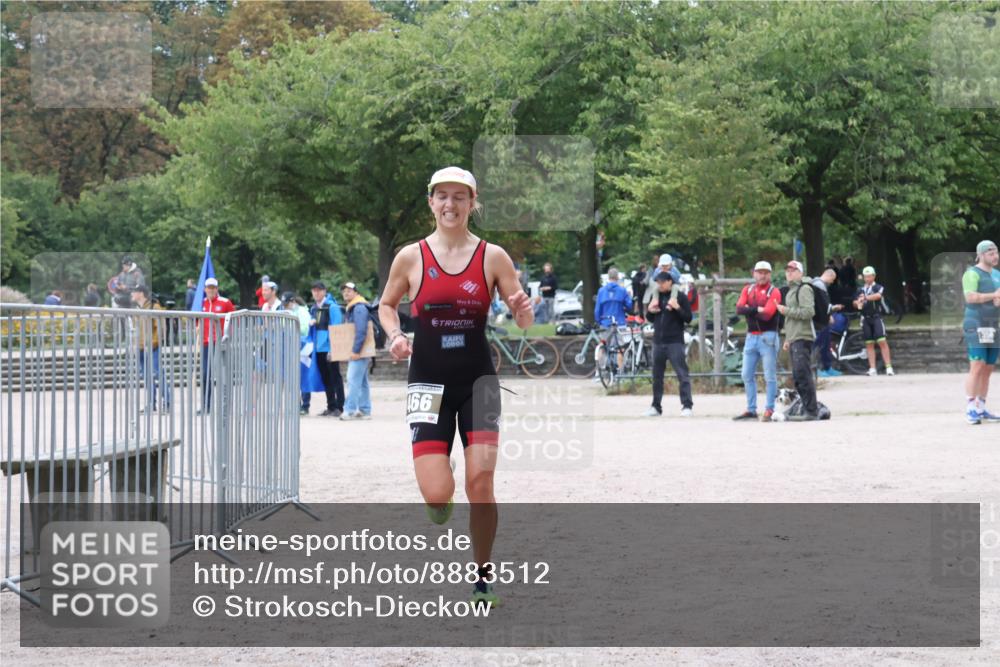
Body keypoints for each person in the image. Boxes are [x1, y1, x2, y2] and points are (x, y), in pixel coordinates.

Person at [378, 166, 533, 609]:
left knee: (480, 483)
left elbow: (523, 320)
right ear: (431, 202)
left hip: (478, 382)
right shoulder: (410, 257)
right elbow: (386, 305)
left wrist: (523, 308)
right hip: (427, 383)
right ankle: (439, 491)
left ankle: (482, 579)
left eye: (459, 197)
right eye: (442, 196)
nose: (450, 204)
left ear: (472, 202)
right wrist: (395, 335)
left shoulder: (492, 257)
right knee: (437, 492)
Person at [733, 261, 782, 421]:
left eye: (765, 272)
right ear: (754, 273)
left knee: (770, 376)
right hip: (751, 336)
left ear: (770, 274)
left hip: (768, 336)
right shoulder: (748, 289)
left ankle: (769, 409)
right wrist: (756, 309)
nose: (762, 275)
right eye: (759, 272)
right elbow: (739, 308)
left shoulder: (774, 291)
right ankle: (751, 409)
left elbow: (767, 314)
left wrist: (749, 309)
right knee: (746, 374)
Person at [643, 271, 693, 417]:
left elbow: (688, 318)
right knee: (657, 376)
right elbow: (651, 318)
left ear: (670, 281)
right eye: (658, 282)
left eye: (662, 282)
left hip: (675, 342)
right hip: (658, 342)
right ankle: (656, 406)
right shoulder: (655, 296)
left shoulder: (680, 297)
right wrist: (650, 311)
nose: (660, 285)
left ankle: (687, 406)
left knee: (682, 374)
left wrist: (677, 307)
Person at [962, 240, 1000, 424]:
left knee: (988, 368)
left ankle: (981, 407)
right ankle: (970, 407)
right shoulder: (972, 273)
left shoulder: (998, 275)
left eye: (996, 253)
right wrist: (994, 295)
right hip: (975, 323)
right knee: (977, 365)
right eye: (991, 253)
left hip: (993, 324)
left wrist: (997, 301)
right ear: (981, 255)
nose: (995, 256)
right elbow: (970, 297)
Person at [777, 260, 819, 421]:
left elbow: (808, 312)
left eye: (793, 270)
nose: (789, 273)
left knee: (803, 374)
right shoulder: (791, 290)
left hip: (803, 336)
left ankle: (811, 411)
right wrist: (788, 337)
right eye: (787, 270)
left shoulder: (804, 289)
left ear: (800, 273)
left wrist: (785, 310)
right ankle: (807, 409)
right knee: (798, 375)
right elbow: (791, 320)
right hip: (795, 337)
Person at [306, 281, 345, 417]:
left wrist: (333, 348)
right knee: (326, 378)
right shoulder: (314, 308)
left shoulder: (332, 307)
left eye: (319, 290)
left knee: (335, 377)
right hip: (318, 349)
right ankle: (331, 406)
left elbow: (337, 328)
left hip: (329, 348)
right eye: (314, 290)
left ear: (324, 291)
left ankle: (340, 407)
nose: (316, 293)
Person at [131, 284, 171, 413]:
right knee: (147, 376)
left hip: (152, 347)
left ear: (141, 293)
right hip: (141, 348)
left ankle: (167, 403)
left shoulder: (154, 307)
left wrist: (153, 343)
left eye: (134, 291)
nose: (132, 294)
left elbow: (161, 328)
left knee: (158, 374)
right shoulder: (138, 308)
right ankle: (151, 403)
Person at [199, 277, 236, 413]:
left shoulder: (225, 302)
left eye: (213, 288)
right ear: (205, 289)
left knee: (222, 375)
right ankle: (206, 406)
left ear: (217, 289)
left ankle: (225, 405)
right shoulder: (201, 303)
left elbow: (233, 320)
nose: (211, 290)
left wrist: (228, 337)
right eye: (209, 288)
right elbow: (197, 321)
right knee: (205, 374)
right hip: (206, 343)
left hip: (220, 343)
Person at [853, 266, 895, 376]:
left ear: (874, 276)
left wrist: (865, 298)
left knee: (882, 341)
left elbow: (877, 296)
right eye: (865, 277)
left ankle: (889, 367)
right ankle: (872, 368)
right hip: (865, 319)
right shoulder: (860, 289)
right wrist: (857, 303)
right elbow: (855, 302)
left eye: (869, 276)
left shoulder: (878, 287)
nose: (867, 279)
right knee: (869, 344)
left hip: (876, 318)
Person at [339, 282, 372, 420]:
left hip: (359, 351)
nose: (346, 293)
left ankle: (350, 410)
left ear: (356, 292)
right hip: (361, 350)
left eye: (349, 290)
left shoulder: (358, 308)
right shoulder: (356, 306)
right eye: (344, 291)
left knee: (352, 379)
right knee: (362, 381)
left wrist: (356, 350)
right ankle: (365, 410)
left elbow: (361, 330)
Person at [815, 268, 843, 377]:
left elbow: (824, 304)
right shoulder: (818, 285)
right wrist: (831, 310)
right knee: (818, 344)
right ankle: (816, 368)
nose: (832, 282)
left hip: (824, 320)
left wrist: (830, 312)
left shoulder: (821, 285)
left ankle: (827, 367)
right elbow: (820, 304)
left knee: (826, 344)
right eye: (833, 279)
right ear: (829, 275)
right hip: (819, 321)